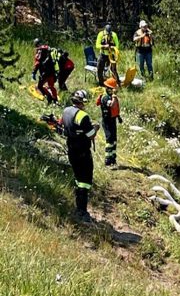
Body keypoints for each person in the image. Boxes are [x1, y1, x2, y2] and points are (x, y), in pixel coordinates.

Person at [61, 90, 100, 222]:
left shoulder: (66, 111)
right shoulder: (83, 116)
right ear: (83, 102)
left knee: (78, 178)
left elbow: (63, 125)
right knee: (85, 181)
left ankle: (78, 205)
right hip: (82, 152)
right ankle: (82, 211)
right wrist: (95, 128)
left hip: (71, 150)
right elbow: (90, 135)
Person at [98, 77, 122, 166]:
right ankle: (107, 159)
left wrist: (118, 116)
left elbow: (115, 108)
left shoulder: (111, 96)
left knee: (114, 139)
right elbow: (112, 105)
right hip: (107, 121)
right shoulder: (105, 97)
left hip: (112, 120)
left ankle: (113, 158)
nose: (113, 91)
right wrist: (114, 96)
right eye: (112, 89)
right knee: (109, 139)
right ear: (107, 88)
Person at [32, 38, 58, 105]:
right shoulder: (48, 49)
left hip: (44, 73)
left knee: (40, 86)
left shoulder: (39, 52)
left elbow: (37, 63)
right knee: (51, 86)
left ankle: (49, 97)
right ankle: (55, 100)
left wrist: (34, 72)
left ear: (36, 44)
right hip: (52, 71)